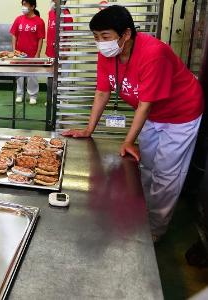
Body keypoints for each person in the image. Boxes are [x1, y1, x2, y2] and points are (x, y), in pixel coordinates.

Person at [62, 5, 204, 241]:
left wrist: (128, 140)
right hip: (152, 114)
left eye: (105, 36)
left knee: (167, 173)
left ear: (126, 34)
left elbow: (145, 104)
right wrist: (88, 129)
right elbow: (101, 92)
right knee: (146, 166)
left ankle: (156, 230)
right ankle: (142, 216)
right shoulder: (107, 54)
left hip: (180, 113)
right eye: (96, 37)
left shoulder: (153, 53)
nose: (100, 43)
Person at [11, 0, 45, 105]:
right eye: (22, 4)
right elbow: (14, 35)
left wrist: (38, 53)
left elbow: (40, 38)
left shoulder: (39, 21)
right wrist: (14, 50)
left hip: (32, 53)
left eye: (25, 5)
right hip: (19, 54)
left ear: (32, 6)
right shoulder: (18, 19)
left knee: (32, 76)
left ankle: (33, 95)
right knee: (19, 76)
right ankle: (20, 94)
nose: (23, 7)